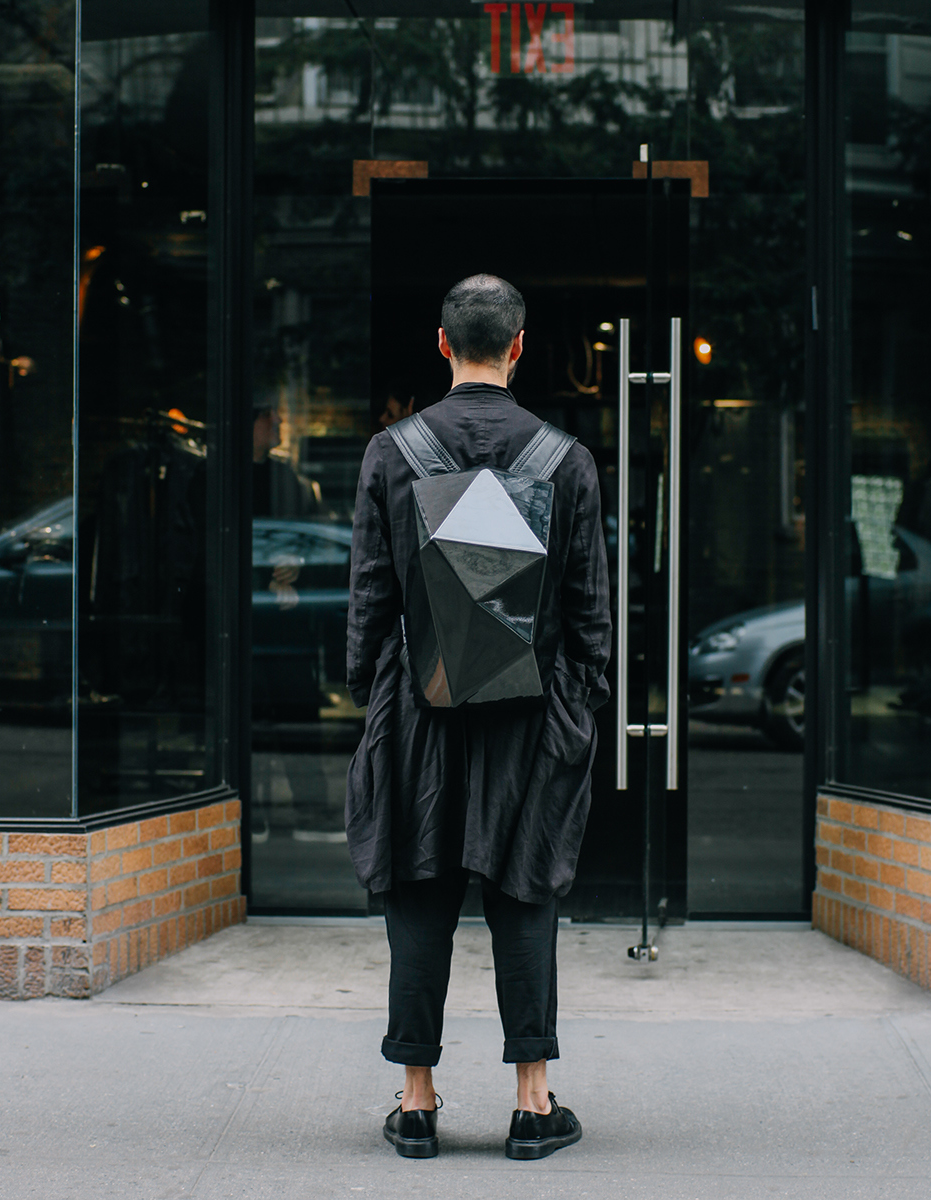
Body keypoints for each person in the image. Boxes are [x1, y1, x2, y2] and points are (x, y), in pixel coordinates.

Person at [345, 274, 612, 1160]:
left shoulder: (393, 452)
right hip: (529, 714)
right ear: (521, 346)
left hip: (419, 708)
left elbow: (370, 600)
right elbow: (588, 612)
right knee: (523, 891)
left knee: (418, 889)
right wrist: (579, 705)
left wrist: (374, 695)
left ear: (442, 343)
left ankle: (416, 1102)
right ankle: (533, 1105)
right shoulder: (565, 459)